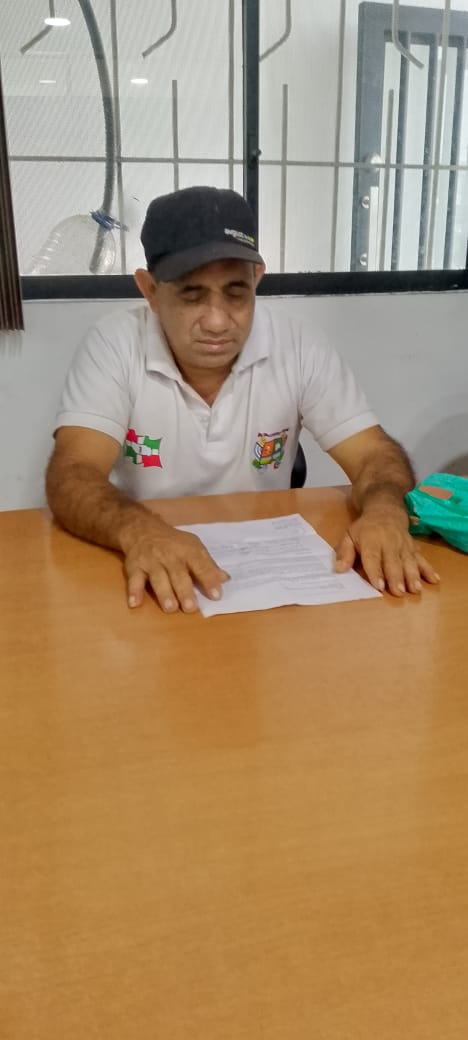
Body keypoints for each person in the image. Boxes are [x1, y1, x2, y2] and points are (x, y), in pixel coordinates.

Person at [46, 185, 439, 612]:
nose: (217, 322)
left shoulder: (298, 343)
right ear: (150, 291)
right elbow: (73, 473)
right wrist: (139, 531)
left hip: (267, 574)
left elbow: (373, 454)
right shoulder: (114, 344)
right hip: (151, 563)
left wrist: (385, 512)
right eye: (192, 295)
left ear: (257, 279)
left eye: (236, 293)